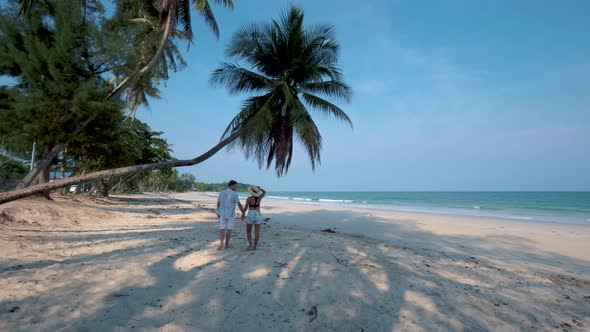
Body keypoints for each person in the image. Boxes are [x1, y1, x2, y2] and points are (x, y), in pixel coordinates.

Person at [216, 180, 245, 250]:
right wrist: (243, 213)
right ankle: (226, 245)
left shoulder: (222, 192)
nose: (236, 187)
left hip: (222, 213)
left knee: (222, 229)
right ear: (231, 185)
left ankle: (221, 244)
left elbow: (218, 203)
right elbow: (239, 204)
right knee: (229, 229)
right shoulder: (234, 194)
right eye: (235, 186)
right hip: (231, 214)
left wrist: (218, 212)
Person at [242, 185, 267, 251]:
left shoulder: (249, 198)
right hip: (257, 214)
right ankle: (254, 246)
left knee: (248, 232)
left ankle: (250, 245)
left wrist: (243, 214)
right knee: (257, 232)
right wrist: (260, 188)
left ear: (252, 192)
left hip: (250, 213)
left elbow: (245, 208)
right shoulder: (259, 198)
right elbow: (264, 192)